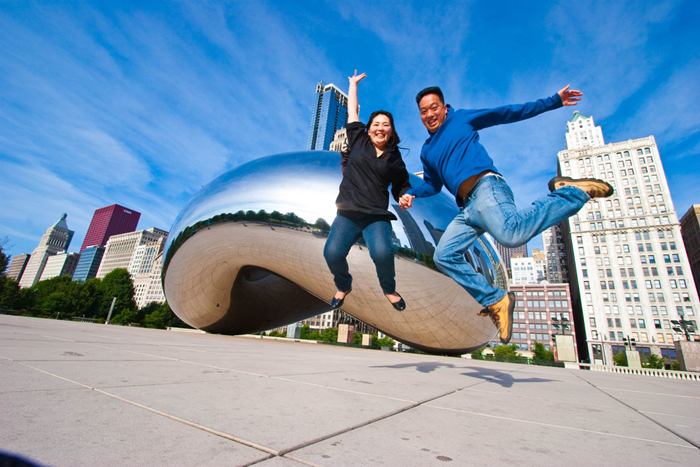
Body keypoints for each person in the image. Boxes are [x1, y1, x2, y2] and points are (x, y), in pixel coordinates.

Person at [399, 85, 613, 343]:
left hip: (487, 189)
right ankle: (495, 299)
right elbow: (433, 185)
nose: (430, 114)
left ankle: (571, 193)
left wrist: (554, 101)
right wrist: (413, 192)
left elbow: (508, 113)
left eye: (434, 108)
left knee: (511, 234)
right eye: (424, 111)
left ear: (444, 108)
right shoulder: (427, 150)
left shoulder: (461, 119)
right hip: (467, 210)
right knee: (444, 256)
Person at [323, 71, 411, 311]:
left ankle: (389, 289)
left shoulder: (394, 158)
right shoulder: (359, 139)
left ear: (391, 131)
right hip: (349, 212)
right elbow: (352, 112)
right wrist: (352, 85)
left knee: (383, 254)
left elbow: (402, 183)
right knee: (332, 253)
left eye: (385, 125)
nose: (380, 128)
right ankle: (343, 285)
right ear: (369, 128)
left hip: (376, 216)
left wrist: (404, 195)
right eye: (376, 124)